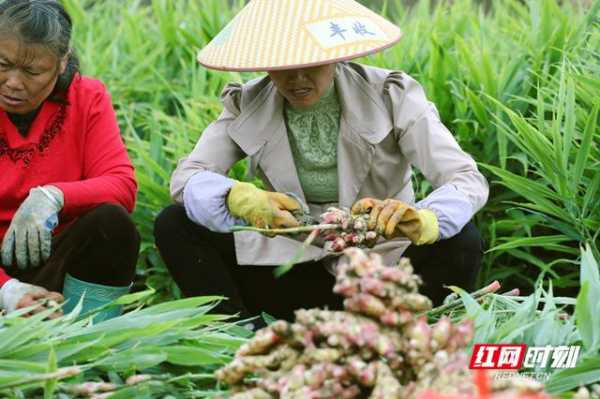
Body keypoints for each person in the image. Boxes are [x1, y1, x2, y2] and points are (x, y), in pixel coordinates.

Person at [154, 0, 488, 323]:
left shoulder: (390, 94)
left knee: (461, 238)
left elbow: (465, 178)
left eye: (310, 62)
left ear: (334, 55)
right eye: (283, 66)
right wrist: (237, 198)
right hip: (295, 263)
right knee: (175, 223)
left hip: (385, 266)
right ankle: (239, 336)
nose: (297, 78)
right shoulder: (248, 103)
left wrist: (426, 219)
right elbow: (187, 178)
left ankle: (407, 328)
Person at [0, 0, 139, 321]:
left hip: (51, 260)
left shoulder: (86, 97)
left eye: (33, 71)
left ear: (62, 63)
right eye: (3, 63)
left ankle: (89, 336)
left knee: (111, 222)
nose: (14, 82)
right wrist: (8, 290)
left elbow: (122, 185)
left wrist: (54, 196)